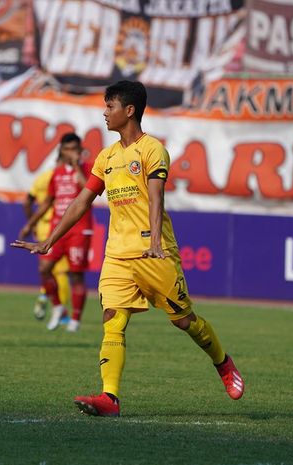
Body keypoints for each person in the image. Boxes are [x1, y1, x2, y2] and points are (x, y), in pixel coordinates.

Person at [12, 81, 244, 416]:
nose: (104, 113)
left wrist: (153, 241)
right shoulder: (106, 157)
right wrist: (50, 240)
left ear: (129, 110)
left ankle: (222, 362)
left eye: (110, 106)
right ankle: (110, 398)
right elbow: (82, 200)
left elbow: (156, 195)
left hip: (154, 251)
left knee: (184, 321)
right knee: (112, 319)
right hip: (118, 253)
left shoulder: (152, 150)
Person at [18, 133, 93, 332]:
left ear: (80, 149)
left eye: (75, 148)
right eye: (68, 149)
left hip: (79, 229)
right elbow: (47, 203)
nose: (72, 152)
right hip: (58, 230)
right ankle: (58, 307)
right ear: (61, 150)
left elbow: (90, 192)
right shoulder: (57, 173)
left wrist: (77, 166)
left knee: (75, 275)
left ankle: (76, 319)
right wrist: (30, 224)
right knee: (44, 268)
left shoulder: (88, 169)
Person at [23, 161, 72, 321]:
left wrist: (31, 223)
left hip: (42, 228)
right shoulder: (62, 178)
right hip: (58, 228)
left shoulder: (41, 178)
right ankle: (61, 311)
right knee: (61, 272)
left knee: (46, 269)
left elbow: (27, 201)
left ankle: (45, 293)